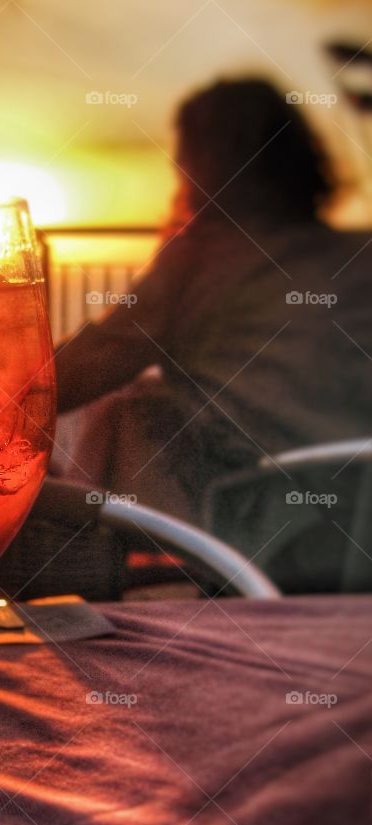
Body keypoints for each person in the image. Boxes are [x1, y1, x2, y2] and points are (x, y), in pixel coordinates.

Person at [55, 77, 372, 522]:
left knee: (130, 413)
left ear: (202, 165)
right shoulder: (361, 255)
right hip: (360, 510)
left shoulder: (199, 260)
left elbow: (87, 366)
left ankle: (128, 563)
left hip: (274, 523)